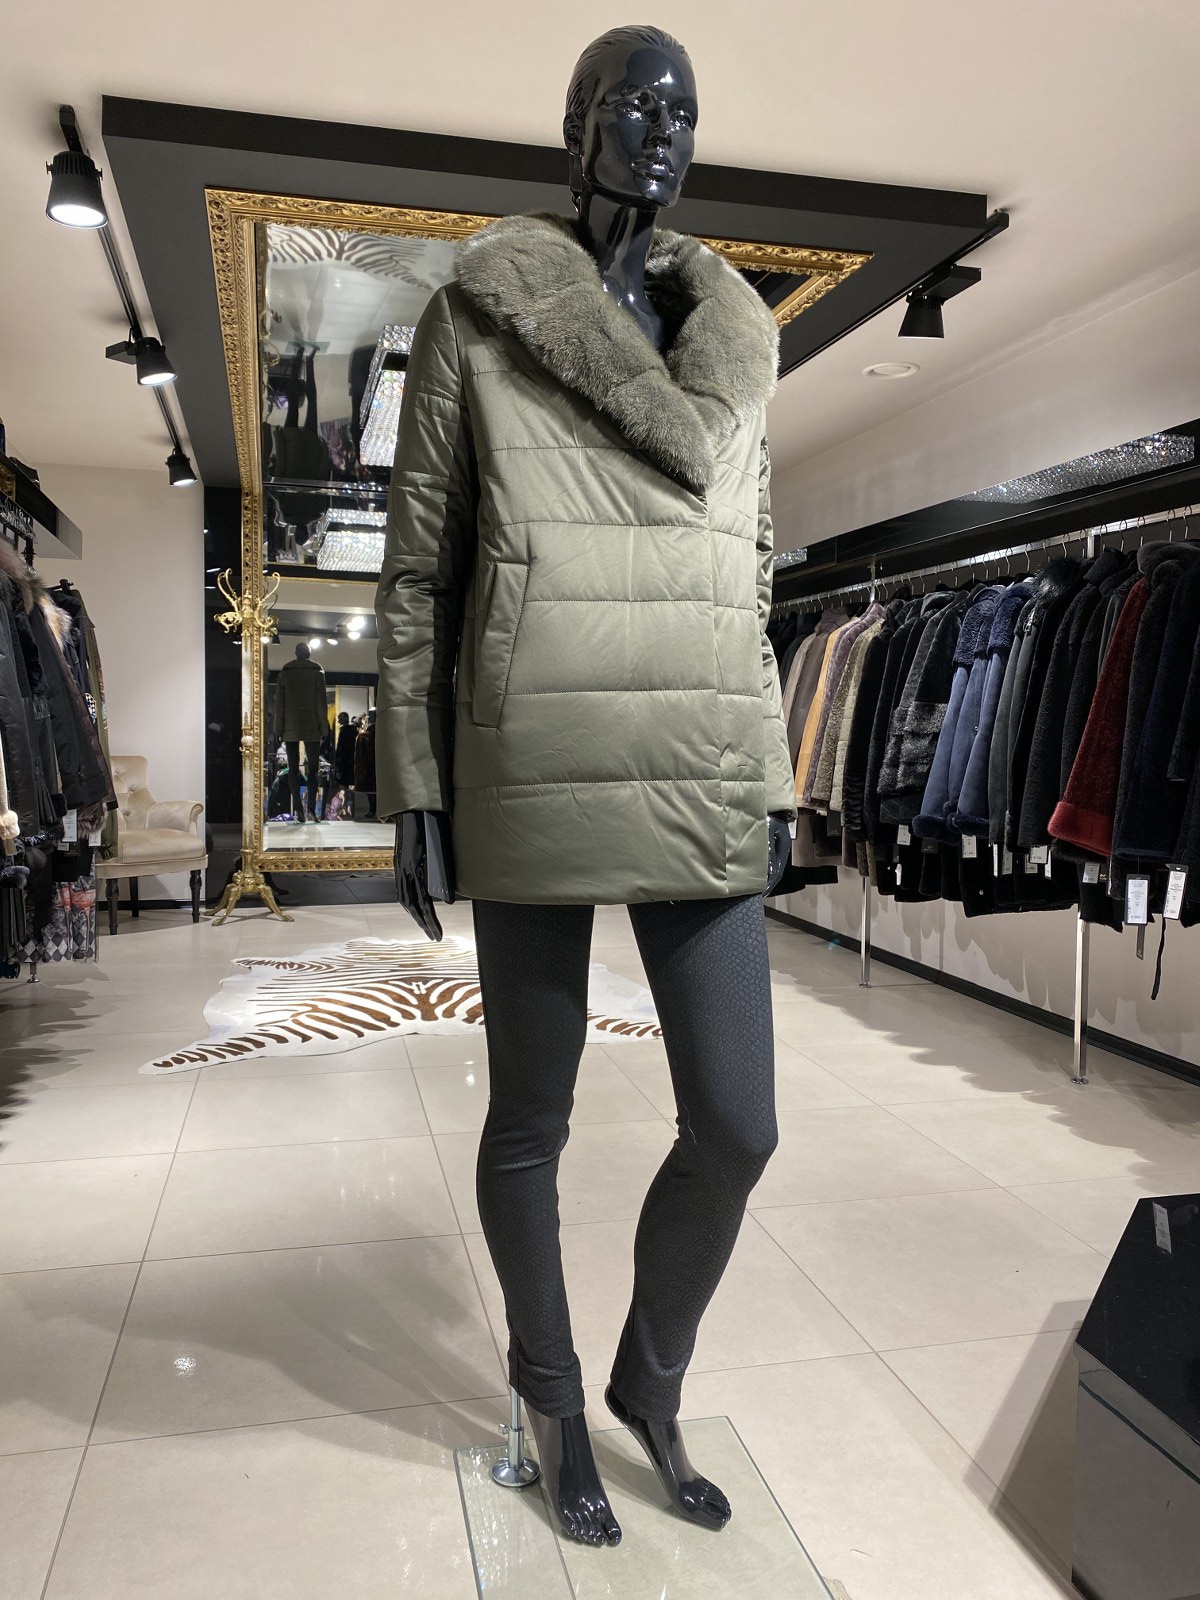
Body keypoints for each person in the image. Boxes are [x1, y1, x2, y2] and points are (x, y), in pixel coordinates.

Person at [375, 25, 793, 1548]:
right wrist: (416, 783)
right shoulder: (477, 314)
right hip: (533, 747)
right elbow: (420, 569)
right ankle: (552, 1394)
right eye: (637, 105)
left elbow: (753, 571)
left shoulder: (736, 341)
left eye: (686, 110)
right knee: (531, 1120)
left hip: (702, 753)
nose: (665, 131)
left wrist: (775, 770)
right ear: (577, 127)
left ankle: (648, 1383)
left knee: (738, 1125)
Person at [272, 642, 328, 824]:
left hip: (290, 726)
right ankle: (311, 808)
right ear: (309, 654)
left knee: (293, 768)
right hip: (312, 725)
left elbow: (279, 704)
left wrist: (278, 728)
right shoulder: (317, 672)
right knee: (314, 769)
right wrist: (324, 727)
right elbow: (321, 703)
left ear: (296, 653)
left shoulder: (286, 672)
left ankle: (298, 808)